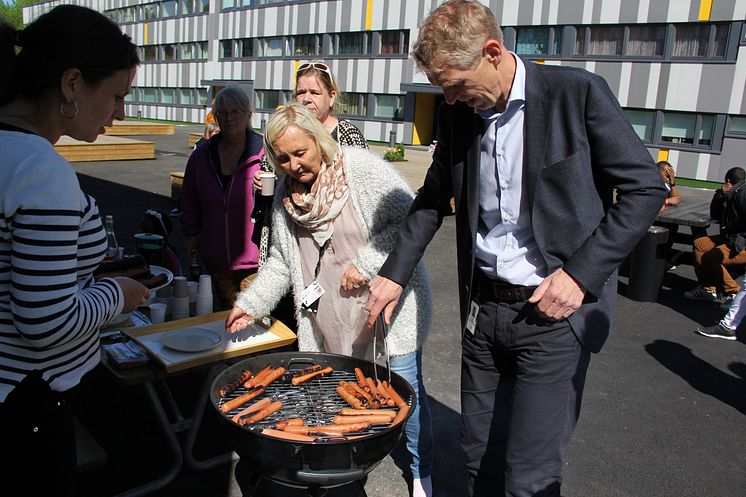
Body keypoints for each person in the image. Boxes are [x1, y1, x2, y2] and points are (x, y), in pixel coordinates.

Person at [363, 2, 667, 496]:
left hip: (552, 317)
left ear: (492, 51)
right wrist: (393, 273)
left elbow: (645, 190)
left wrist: (579, 275)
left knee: (529, 478)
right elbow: (433, 197)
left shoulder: (577, 93)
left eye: (457, 84)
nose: (453, 99)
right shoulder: (458, 113)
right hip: (483, 317)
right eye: (444, 89)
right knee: (478, 460)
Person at [226, 103, 434, 497]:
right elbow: (281, 264)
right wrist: (252, 304)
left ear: (319, 142)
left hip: (387, 320)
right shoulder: (286, 195)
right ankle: (348, 480)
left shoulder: (359, 169)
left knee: (409, 414)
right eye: (282, 157)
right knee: (349, 412)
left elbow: (413, 222)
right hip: (331, 323)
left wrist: (369, 261)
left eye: (300, 153)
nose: (292, 165)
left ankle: (422, 479)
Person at [0, 6, 148, 496]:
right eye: (115, 96)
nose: (120, 113)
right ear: (71, 84)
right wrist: (118, 294)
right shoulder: (41, 172)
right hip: (27, 406)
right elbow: (45, 322)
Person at [180, 86, 264, 309]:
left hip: (255, 260)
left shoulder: (264, 153)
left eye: (236, 112)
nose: (229, 118)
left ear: (248, 115)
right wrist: (191, 235)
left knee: (253, 320)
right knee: (224, 318)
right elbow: (190, 198)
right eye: (223, 113)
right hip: (215, 259)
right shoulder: (202, 155)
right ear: (215, 116)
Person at [684, 167, 746, 302]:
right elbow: (715, 215)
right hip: (731, 238)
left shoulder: (742, 195)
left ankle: (733, 292)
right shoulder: (732, 193)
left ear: (728, 181)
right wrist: (720, 194)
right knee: (699, 244)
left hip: (740, 242)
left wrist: (739, 241)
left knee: (711, 257)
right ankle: (708, 288)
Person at [139, 208, 183, 276]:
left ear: (159, 234)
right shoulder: (143, 249)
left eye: (148, 232)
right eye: (142, 232)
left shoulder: (167, 256)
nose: (143, 236)